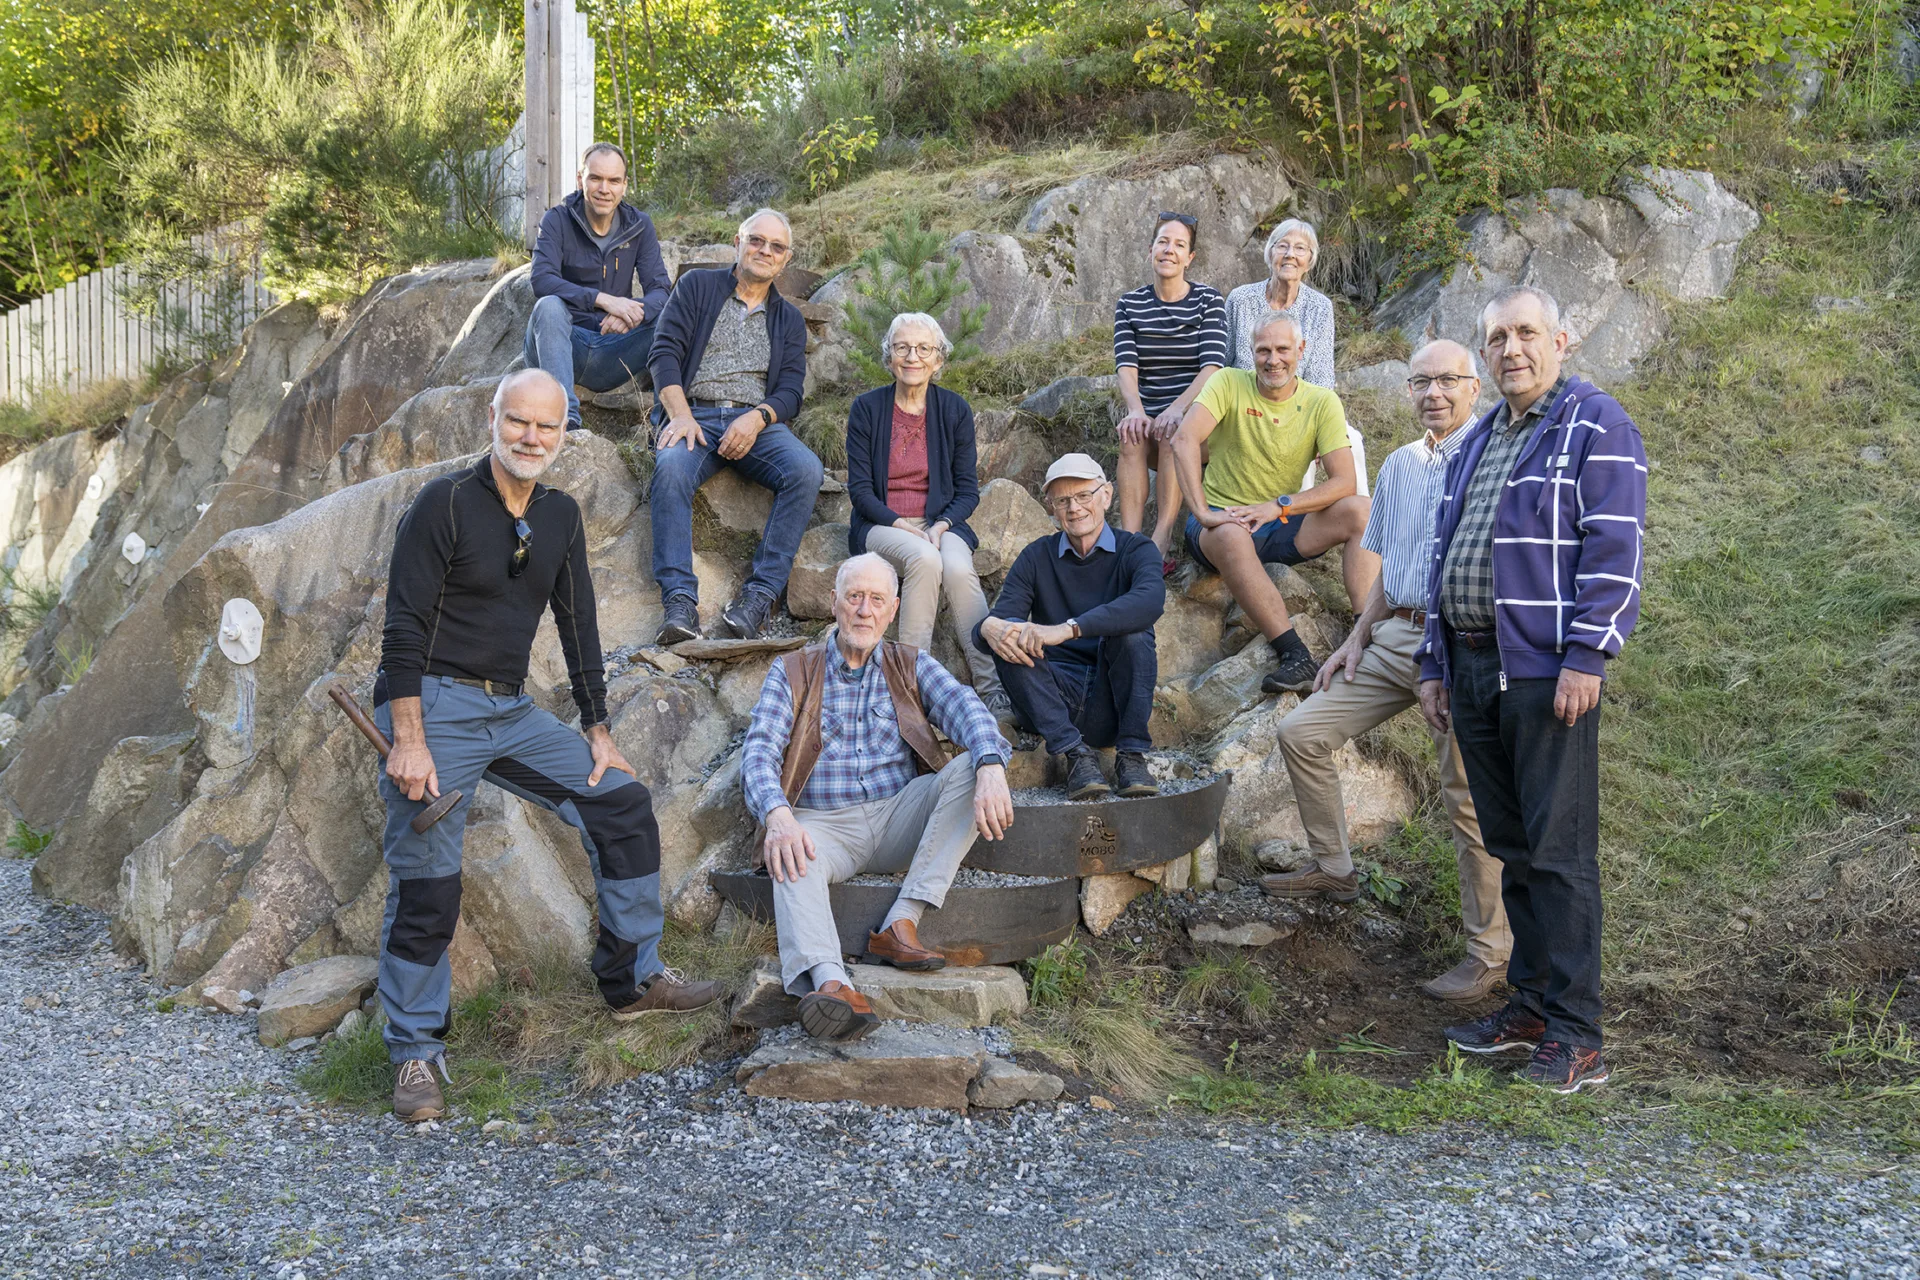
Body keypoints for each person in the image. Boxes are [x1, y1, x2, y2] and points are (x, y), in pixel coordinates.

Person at [374, 368, 725, 1123]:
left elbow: (578, 623)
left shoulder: (559, 515)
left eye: (547, 426)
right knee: (428, 880)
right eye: (518, 423)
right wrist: (407, 739)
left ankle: (632, 980)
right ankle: (413, 1052)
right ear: (493, 420)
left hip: (513, 710)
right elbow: (402, 626)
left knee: (622, 802)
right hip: (433, 706)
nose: (532, 438)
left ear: (565, 433)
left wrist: (598, 727)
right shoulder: (444, 506)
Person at [1416, 285, 1647, 1095]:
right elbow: (1446, 558)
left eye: (1525, 333)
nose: (1510, 348)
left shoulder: (1596, 424)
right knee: (1511, 847)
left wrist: (1589, 655)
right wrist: (1434, 664)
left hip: (1547, 672)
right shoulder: (1482, 435)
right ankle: (1530, 1007)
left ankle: (1578, 1033)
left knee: (1558, 853)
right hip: (1474, 665)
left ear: (1563, 339)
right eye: (1497, 337)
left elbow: (1615, 548)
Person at [1264, 340, 1512, 1003]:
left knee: (1466, 798)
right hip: (1396, 632)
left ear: (1474, 388)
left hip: (1458, 638)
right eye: (1421, 382)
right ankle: (1334, 867)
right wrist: (1354, 637)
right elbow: (1385, 561)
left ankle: (1490, 955)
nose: (1434, 393)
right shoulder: (1402, 464)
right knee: (1303, 732)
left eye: (1448, 381)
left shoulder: (1491, 460)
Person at [742, 553, 1015, 1042]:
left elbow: (966, 708)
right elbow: (759, 752)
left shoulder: (909, 664)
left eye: (876, 601)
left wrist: (992, 764)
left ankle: (901, 922)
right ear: (834, 605)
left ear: (892, 612)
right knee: (789, 850)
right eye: (854, 597)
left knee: (974, 763)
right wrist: (778, 815)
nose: (864, 611)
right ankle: (830, 986)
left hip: (898, 815)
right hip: (824, 826)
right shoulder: (793, 672)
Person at [1171, 311, 1377, 696]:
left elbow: (1345, 481)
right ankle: (1294, 655)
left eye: (1283, 349)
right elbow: (1183, 440)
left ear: (1301, 350)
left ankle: (1367, 635)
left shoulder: (1321, 402)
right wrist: (1201, 511)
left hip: (1278, 522)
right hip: (1222, 522)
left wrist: (1279, 506)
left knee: (1362, 510)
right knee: (1232, 535)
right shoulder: (1228, 382)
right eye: (1263, 350)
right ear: (1251, 353)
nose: (1272, 359)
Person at [648, 208, 821, 643]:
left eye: (776, 246)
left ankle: (757, 599)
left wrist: (758, 417)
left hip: (755, 423)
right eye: (757, 240)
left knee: (805, 470)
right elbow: (663, 354)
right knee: (670, 469)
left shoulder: (789, 320)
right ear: (738, 242)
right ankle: (679, 605)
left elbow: (791, 393)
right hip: (695, 415)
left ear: (786, 258)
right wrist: (680, 414)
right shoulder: (697, 287)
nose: (765, 250)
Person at [844, 312, 1013, 734]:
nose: (912, 356)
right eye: (902, 347)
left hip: (940, 522)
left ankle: (992, 690)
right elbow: (861, 492)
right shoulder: (867, 409)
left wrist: (941, 525)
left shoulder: (953, 409)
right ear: (889, 357)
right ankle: (906, 685)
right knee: (924, 558)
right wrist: (902, 524)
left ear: (939, 360)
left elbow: (967, 490)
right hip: (883, 524)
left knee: (956, 566)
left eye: (924, 349)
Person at [976, 454, 1166, 802]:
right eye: (1062, 500)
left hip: (1110, 702)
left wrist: (1069, 629)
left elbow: (1150, 602)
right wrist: (987, 627)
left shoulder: (1136, 549)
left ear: (1106, 495)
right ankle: (1076, 757)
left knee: (1136, 632)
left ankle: (1132, 756)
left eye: (1083, 496)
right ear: (1051, 507)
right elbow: (1003, 616)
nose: (1074, 508)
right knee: (1009, 639)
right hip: (1051, 701)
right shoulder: (1036, 556)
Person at [523, 142, 673, 430]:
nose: (605, 188)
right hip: (564, 344)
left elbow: (661, 290)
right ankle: (566, 423)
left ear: (624, 185)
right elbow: (542, 280)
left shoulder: (639, 225)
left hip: (613, 351)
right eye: (596, 178)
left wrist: (632, 313)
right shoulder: (556, 220)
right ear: (581, 180)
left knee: (671, 318)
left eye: (614, 180)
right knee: (549, 307)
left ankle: (663, 427)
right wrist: (604, 299)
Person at [1113, 212, 1228, 563]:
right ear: (1151, 250)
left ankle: (1160, 540)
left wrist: (1177, 409)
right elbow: (1126, 366)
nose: (1169, 250)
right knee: (1131, 434)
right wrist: (1135, 410)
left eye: (1179, 245)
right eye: (1163, 242)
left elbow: (1213, 368)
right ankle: (1129, 542)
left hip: (1199, 422)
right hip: (1151, 417)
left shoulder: (1209, 301)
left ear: (1189, 258)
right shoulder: (1130, 304)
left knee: (1172, 433)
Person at [1225, 219, 1335, 388]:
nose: (1290, 254)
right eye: (1282, 246)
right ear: (1270, 254)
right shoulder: (1240, 299)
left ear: (1309, 260)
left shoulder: (1320, 308)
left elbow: (1321, 379)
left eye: (1300, 248)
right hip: (1241, 402)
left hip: (1295, 408)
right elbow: (1220, 364)